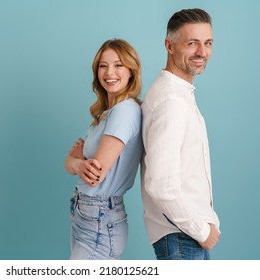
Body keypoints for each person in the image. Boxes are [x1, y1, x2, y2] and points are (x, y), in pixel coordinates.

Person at [141, 8, 221, 260]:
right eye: (192, 43)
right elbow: (161, 184)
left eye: (207, 43)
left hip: (183, 237)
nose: (202, 52)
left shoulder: (178, 93)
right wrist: (200, 229)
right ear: (169, 45)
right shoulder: (171, 100)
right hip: (182, 238)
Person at [64, 39, 143, 260]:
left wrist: (79, 163)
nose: (110, 72)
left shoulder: (125, 111)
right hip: (87, 215)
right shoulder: (105, 114)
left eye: (118, 65)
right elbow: (68, 164)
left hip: (99, 217)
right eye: (103, 65)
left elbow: (94, 175)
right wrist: (79, 163)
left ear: (131, 71)